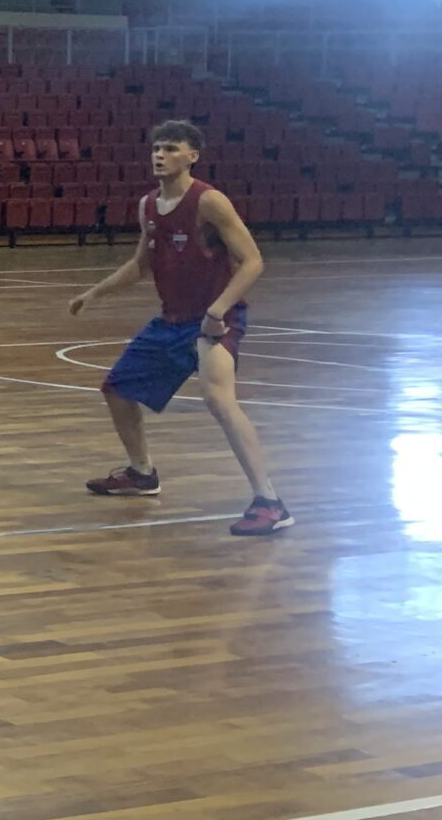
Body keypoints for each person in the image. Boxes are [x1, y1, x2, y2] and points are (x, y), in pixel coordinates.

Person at [67, 119, 290, 536]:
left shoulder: (210, 202)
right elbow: (140, 265)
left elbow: (253, 260)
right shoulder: (148, 205)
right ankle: (141, 474)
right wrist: (94, 294)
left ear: (193, 156)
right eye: (156, 147)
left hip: (214, 319)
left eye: (170, 148)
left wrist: (218, 310)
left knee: (219, 401)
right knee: (117, 389)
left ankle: (270, 501)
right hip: (171, 320)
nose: (159, 154)